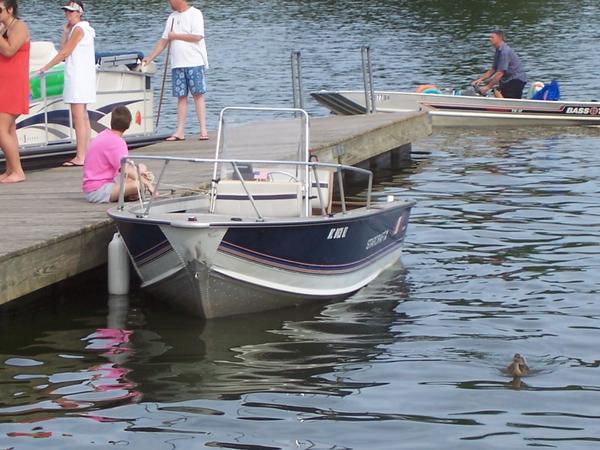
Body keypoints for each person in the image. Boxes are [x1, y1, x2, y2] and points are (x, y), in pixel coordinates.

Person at [38, 0, 96, 167]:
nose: (67, 14)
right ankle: (85, 153)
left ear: (79, 12)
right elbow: (65, 49)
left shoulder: (79, 29)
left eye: (71, 12)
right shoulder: (81, 29)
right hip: (81, 77)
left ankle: (81, 156)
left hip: (78, 77)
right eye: (66, 12)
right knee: (82, 115)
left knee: (78, 116)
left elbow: (64, 52)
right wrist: (64, 32)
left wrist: (45, 67)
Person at [143, 0, 209, 141]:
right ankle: (180, 131)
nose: (169, 2)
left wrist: (176, 36)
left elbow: (197, 36)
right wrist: (150, 57)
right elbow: (163, 41)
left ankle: (203, 129)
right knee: (181, 97)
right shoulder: (172, 17)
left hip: (194, 62)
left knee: (198, 94)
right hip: (177, 64)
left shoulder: (195, 14)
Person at [82, 106, 153, 203]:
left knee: (141, 168)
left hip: (100, 183)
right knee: (138, 185)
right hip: (97, 190)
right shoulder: (117, 142)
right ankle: (132, 193)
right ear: (129, 124)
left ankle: (130, 192)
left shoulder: (105, 134)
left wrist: (139, 175)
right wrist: (147, 183)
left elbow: (123, 168)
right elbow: (125, 170)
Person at [0, 0, 29, 183]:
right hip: (4, 84)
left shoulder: (19, 27)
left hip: (14, 84)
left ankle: (18, 171)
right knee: (9, 129)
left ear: (10, 10)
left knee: (1, 129)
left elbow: (10, 51)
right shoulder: (5, 29)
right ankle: (11, 170)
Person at [471, 30, 527, 99]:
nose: (490, 39)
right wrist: (480, 79)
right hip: (509, 80)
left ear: (500, 38)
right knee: (498, 92)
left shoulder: (504, 52)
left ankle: (505, 108)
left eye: (492, 37)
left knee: (497, 91)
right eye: (490, 37)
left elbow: (500, 73)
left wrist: (487, 87)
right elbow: (493, 70)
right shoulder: (498, 51)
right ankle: (507, 107)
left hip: (516, 80)